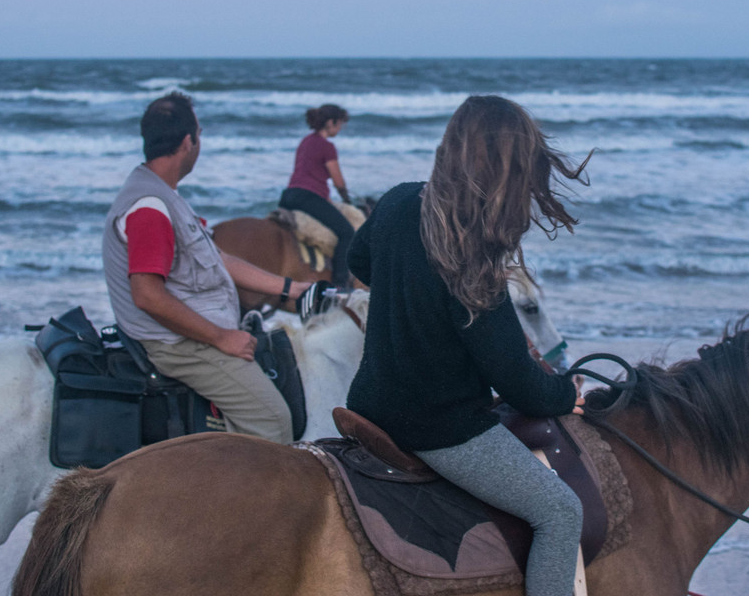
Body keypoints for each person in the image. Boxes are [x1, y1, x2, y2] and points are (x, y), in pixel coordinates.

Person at [345, 95, 590, 596]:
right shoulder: (474, 258)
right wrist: (567, 394)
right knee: (561, 512)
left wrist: (410, 303)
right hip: (437, 427)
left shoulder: (397, 201)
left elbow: (359, 261)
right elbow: (518, 383)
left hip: (369, 401)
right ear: (509, 171)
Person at [103, 91, 325, 443]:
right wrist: (223, 338)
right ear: (188, 142)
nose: (199, 142)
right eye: (200, 134)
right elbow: (147, 295)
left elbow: (219, 259)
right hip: (178, 344)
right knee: (272, 420)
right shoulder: (150, 207)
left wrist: (289, 288)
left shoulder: (164, 195)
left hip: (190, 332)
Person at [279, 103, 355, 286]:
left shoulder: (306, 141)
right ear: (330, 123)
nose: (340, 128)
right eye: (339, 124)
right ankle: (340, 284)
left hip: (289, 195)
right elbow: (338, 181)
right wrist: (346, 197)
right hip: (307, 197)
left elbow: (307, 173)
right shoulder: (327, 146)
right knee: (347, 233)